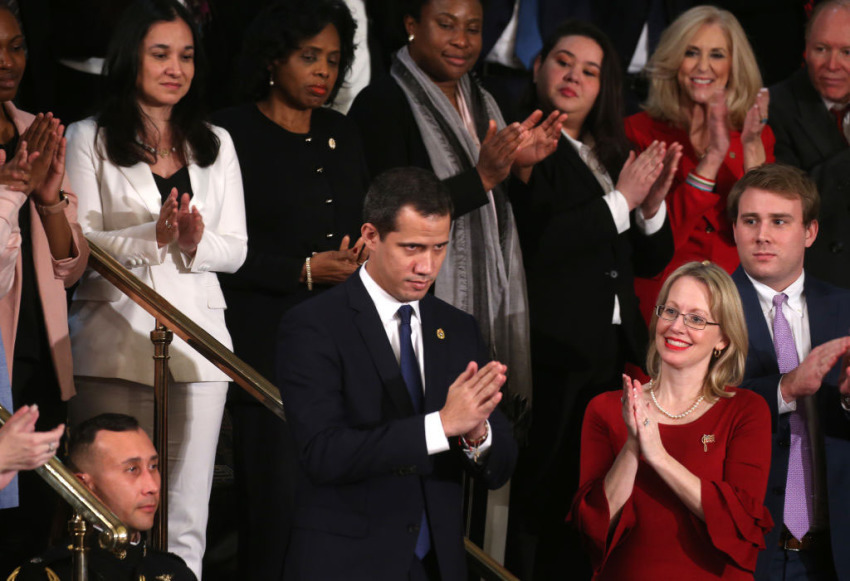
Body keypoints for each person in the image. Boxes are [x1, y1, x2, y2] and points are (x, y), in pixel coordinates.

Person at [64, 0, 248, 576]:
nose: (176, 68)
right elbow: (80, 243)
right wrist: (154, 232)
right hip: (112, 340)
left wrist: (192, 239)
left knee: (186, 512)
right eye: (161, 54)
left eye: (186, 56)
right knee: (109, 513)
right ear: (130, 59)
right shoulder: (87, 137)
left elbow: (236, 247)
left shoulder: (215, 142)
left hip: (199, 347)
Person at [277, 167, 518, 580]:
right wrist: (441, 425)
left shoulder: (458, 328)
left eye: (439, 248)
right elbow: (323, 453)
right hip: (347, 565)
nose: (427, 266)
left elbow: (500, 465)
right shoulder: (315, 324)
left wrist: (477, 435)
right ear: (370, 236)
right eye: (412, 247)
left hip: (437, 565)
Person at [506, 19, 679, 580]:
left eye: (590, 70)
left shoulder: (609, 154)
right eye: (562, 62)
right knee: (544, 491)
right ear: (537, 68)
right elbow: (541, 243)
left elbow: (649, 261)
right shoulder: (524, 144)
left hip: (609, 350)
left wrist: (649, 204)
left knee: (591, 492)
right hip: (553, 349)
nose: (573, 76)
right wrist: (621, 201)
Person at [348, 0, 567, 423]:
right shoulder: (381, 104)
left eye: (473, 27)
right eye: (446, 25)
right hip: (413, 298)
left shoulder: (486, 102)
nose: (461, 40)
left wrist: (520, 169)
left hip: (490, 300)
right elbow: (393, 211)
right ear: (411, 23)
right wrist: (481, 177)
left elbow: (509, 221)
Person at [211, 1, 368, 577]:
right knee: (274, 507)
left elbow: (361, 213)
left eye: (333, 60)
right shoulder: (230, 132)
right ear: (274, 59)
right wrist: (303, 270)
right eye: (309, 57)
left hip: (341, 341)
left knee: (331, 510)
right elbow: (220, 250)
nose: (323, 72)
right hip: (264, 346)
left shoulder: (341, 131)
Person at [571, 261, 773, 579]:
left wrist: (659, 457)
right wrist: (633, 446)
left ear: (723, 339)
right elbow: (594, 528)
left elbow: (740, 523)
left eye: (696, 318)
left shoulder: (746, 410)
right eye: (670, 312)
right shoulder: (607, 408)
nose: (677, 326)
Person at [0, 3, 90, 575]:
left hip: (43, 356)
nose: (8, 61)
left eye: (17, 46)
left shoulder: (37, 129)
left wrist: (49, 196)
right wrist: (9, 189)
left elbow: (71, 267)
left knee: (33, 531)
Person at [728, 163, 850, 579]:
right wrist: (786, 387)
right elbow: (698, 407)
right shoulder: (702, 308)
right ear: (735, 229)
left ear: (810, 232)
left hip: (835, 548)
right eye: (751, 221)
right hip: (747, 544)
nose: (762, 235)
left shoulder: (845, 308)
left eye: (779, 221)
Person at [625, 5, 774, 324]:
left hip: (732, 308)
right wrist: (712, 160)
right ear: (674, 59)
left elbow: (761, 233)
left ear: (734, 65)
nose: (703, 66)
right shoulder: (638, 131)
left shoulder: (756, 136)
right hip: (661, 306)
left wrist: (750, 147)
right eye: (692, 52)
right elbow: (652, 242)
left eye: (717, 55)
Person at [9, 413, 196, 580]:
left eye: (153, 467)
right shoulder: (49, 575)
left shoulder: (175, 572)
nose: (152, 487)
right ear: (83, 485)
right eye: (132, 469)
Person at [768, 0, 850, 290]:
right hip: (816, 283)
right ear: (806, 48)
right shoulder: (775, 106)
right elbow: (789, 202)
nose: (832, 65)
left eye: (846, 52)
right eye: (821, 49)